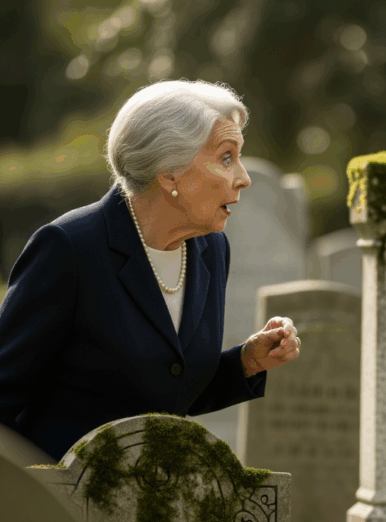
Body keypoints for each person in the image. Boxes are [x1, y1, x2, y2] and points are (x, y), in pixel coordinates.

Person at [0, 80, 301, 461]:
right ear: (170, 172)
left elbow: (170, 388)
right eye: (227, 158)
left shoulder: (211, 249)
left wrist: (247, 363)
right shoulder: (69, 248)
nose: (243, 177)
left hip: (157, 492)